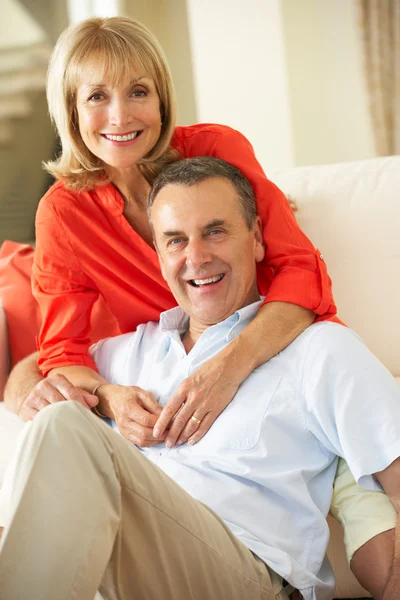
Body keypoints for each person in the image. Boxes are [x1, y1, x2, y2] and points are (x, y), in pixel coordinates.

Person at [1, 157, 399, 600]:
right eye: (175, 240)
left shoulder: (319, 349)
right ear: (159, 255)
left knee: (65, 425)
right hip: (122, 575)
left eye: (215, 231)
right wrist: (41, 394)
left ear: (258, 240)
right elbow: (37, 368)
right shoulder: (130, 353)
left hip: (246, 575)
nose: (197, 257)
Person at [4, 15, 338, 449]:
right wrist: (110, 398)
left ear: (161, 98)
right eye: (97, 97)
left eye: (138, 92)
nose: (119, 116)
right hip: (168, 376)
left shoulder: (218, 150)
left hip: (274, 347)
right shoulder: (64, 212)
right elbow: (63, 351)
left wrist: (227, 367)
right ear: (72, 110)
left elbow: (302, 274)